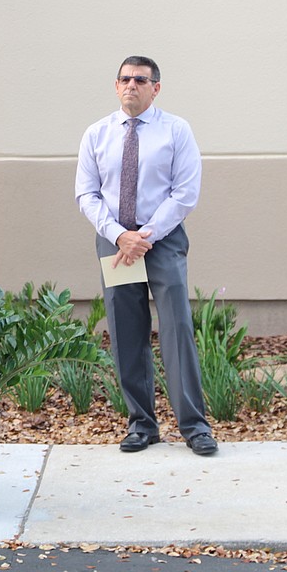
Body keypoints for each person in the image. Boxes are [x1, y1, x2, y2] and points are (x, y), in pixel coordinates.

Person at [74, 55, 217, 456]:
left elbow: (185, 192)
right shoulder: (97, 134)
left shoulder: (176, 130)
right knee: (126, 329)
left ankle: (194, 426)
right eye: (124, 79)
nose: (131, 85)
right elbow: (87, 193)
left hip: (163, 241)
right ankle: (142, 424)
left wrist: (145, 236)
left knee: (176, 327)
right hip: (116, 243)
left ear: (156, 87)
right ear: (116, 86)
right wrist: (121, 236)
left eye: (140, 79)